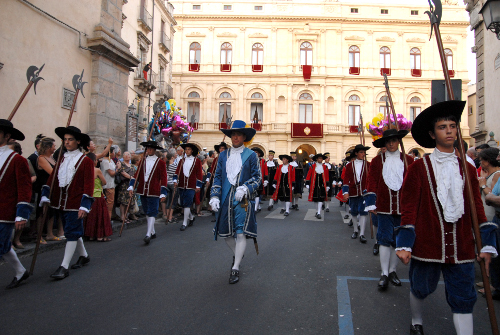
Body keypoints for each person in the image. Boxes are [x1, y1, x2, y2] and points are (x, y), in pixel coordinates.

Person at [395, 100, 497, 335]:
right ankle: (416, 321)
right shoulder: (419, 168)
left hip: (461, 245)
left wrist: (486, 243)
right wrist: (404, 242)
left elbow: (477, 209)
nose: (449, 130)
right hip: (427, 244)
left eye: (453, 125)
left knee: (464, 296)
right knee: (420, 288)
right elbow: (409, 206)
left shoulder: (468, 169)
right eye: (443, 126)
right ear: (432, 134)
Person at [209, 120, 261, 284]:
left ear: (244, 137)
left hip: (242, 200)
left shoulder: (251, 155)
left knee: (240, 232)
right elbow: (217, 177)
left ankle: (235, 267)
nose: (235, 137)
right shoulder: (223, 156)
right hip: (225, 198)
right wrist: (215, 195)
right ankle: (239, 252)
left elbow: (257, 178)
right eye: (233, 134)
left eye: (238, 134)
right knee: (225, 233)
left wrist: (245, 188)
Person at [40, 126, 94, 280]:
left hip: (75, 203)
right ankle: (84, 255)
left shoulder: (86, 161)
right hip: (60, 202)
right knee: (73, 230)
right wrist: (46, 194)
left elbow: (88, 184)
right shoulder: (62, 158)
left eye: (70, 139)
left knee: (71, 231)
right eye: (65, 140)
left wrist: (85, 205)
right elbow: (53, 178)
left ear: (78, 141)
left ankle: (64, 266)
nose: (67, 142)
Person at [365, 129, 414, 290]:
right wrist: (371, 203)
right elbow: (372, 182)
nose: (392, 143)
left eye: (394, 140)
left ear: (399, 142)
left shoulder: (409, 160)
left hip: (403, 208)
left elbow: (414, 185)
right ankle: (384, 273)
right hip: (384, 208)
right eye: (388, 141)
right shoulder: (377, 161)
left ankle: (393, 271)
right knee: (384, 240)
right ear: (385, 143)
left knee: (397, 241)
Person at [0, 119, 33, 289]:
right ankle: (20, 271)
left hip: (5, 211)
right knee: (4, 246)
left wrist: (21, 213)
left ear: (7, 136)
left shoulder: (17, 160)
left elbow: (24, 188)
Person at [128, 141, 167, 244]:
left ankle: (148, 234)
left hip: (154, 191)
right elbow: (136, 176)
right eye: (147, 148)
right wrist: (131, 186)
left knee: (152, 211)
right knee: (146, 211)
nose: (149, 150)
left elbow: (164, 178)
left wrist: (163, 192)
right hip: (142, 190)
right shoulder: (142, 162)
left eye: (151, 148)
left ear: (154, 150)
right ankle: (152, 231)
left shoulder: (161, 163)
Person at [36, 137, 64, 242]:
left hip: (53, 187)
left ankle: (50, 233)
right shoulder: (41, 158)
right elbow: (52, 172)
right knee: (42, 212)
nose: (54, 148)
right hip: (44, 188)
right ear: (48, 147)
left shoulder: (52, 158)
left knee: (51, 210)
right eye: (53, 146)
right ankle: (39, 236)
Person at [342, 144, 371, 243]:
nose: (363, 154)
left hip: (364, 192)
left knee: (363, 212)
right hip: (353, 192)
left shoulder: (368, 165)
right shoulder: (349, 165)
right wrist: (345, 192)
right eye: (361, 152)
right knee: (353, 211)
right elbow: (346, 179)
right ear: (356, 153)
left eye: (364, 152)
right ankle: (355, 230)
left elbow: (371, 179)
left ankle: (362, 233)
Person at [173, 143, 203, 231]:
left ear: (192, 151)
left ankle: (184, 222)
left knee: (187, 203)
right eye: (186, 149)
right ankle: (191, 217)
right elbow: (177, 171)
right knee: (183, 203)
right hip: (182, 185)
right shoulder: (182, 160)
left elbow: (199, 174)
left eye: (189, 149)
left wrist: (198, 185)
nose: (187, 151)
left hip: (191, 185)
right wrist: (175, 180)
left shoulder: (196, 161)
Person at [84, 153, 112, 242]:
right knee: (100, 216)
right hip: (97, 195)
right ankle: (100, 236)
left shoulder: (84, 170)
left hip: (88, 195)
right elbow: (104, 182)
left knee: (91, 216)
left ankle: (91, 235)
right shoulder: (97, 170)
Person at [305, 153, 329, 219]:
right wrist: (307, 183)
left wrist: (327, 185)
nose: (320, 159)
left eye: (321, 158)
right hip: (314, 185)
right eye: (319, 158)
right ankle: (317, 211)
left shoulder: (325, 167)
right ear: (317, 159)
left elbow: (327, 177)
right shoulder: (312, 166)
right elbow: (308, 175)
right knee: (315, 199)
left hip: (322, 185)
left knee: (321, 198)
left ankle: (319, 212)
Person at [116, 151, 137, 223]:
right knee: (123, 201)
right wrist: (131, 177)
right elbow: (123, 173)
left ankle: (125, 215)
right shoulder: (121, 164)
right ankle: (122, 216)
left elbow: (135, 174)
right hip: (124, 185)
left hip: (130, 184)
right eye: (127, 154)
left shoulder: (132, 165)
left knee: (128, 201)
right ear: (123, 156)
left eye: (129, 154)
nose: (128, 156)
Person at [100, 147, 120, 221]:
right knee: (109, 204)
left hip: (112, 184)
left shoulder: (110, 160)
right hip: (108, 185)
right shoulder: (106, 162)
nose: (114, 153)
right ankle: (107, 221)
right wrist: (118, 169)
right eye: (114, 152)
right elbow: (111, 173)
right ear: (111, 153)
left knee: (110, 204)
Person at [251, 147, 268, 213]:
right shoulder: (251, 160)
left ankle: (255, 208)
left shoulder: (263, 161)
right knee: (253, 193)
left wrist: (266, 180)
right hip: (252, 179)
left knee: (257, 194)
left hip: (260, 179)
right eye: (254, 152)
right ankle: (258, 206)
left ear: (259, 154)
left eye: (256, 152)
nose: (255, 154)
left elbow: (266, 171)